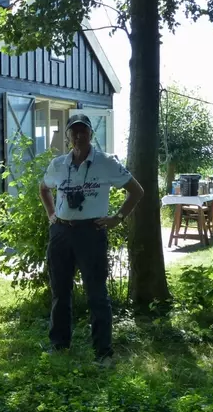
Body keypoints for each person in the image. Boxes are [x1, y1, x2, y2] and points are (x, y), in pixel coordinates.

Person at [40, 114, 144, 366]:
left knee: (96, 293)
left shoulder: (106, 162)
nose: (78, 136)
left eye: (83, 131)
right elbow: (43, 188)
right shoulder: (58, 164)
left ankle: (103, 352)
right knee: (60, 291)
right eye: (73, 132)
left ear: (90, 134)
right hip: (62, 232)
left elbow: (136, 191)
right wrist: (51, 214)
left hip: (91, 232)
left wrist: (117, 217)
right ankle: (59, 344)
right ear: (67, 136)